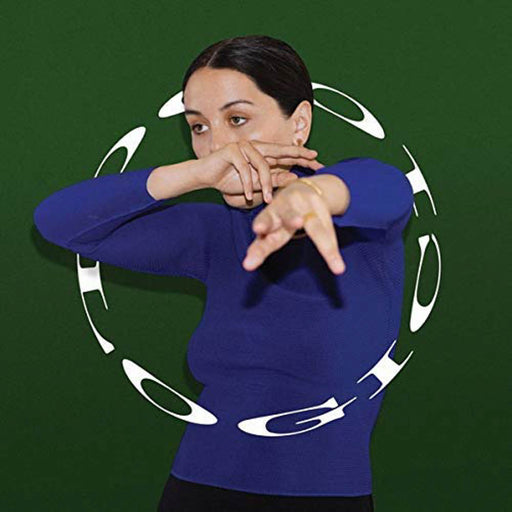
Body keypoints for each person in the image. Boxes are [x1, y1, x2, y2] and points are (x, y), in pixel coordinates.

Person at [33, 35, 414, 512]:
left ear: (300, 123)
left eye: (237, 119)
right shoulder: (213, 231)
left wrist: (311, 195)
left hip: (324, 495)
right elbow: (57, 221)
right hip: (196, 486)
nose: (217, 145)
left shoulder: (361, 220)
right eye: (198, 126)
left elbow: (388, 188)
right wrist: (193, 174)